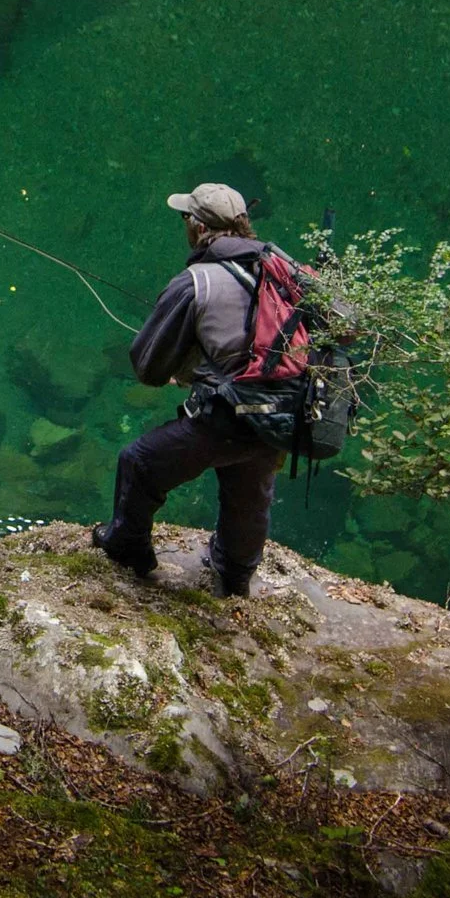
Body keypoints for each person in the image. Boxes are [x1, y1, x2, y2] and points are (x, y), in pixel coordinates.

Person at [90, 181, 283, 596]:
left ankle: (127, 548)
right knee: (249, 489)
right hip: (283, 415)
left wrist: (183, 371)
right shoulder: (282, 269)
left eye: (185, 218)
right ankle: (234, 578)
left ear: (197, 227)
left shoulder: (196, 282)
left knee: (138, 462)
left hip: (230, 417)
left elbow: (148, 368)